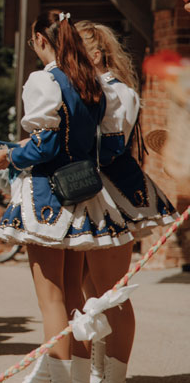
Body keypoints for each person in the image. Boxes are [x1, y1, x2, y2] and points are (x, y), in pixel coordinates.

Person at [0, 11, 126, 383]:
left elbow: (45, 144)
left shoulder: (45, 80)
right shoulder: (90, 83)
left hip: (47, 195)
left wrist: (9, 156)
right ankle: (76, 379)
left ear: (41, 40)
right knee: (72, 299)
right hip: (82, 193)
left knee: (51, 300)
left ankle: (62, 379)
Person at [68, 21, 177, 383]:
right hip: (86, 193)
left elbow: (110, 148)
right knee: (89, 291)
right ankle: (98, 368)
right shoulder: (80, 89)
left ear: (96, 54)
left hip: (113, 193)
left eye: (77, 50)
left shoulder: (118, 92)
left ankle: (113, 376)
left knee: (111, 292)